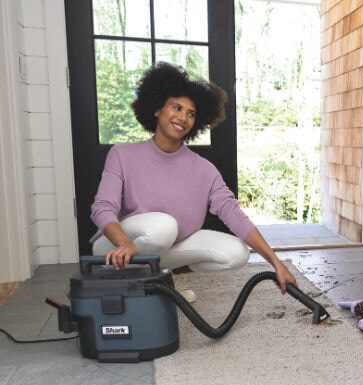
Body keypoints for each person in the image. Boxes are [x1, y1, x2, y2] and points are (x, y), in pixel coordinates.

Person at [90, 62, 297, 302]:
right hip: (116, 246)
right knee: (162, 226)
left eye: (191, 113)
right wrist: (125, 243)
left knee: (237, 253)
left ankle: (160, 278)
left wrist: (276, 262)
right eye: (176, 107)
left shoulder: (204, 169)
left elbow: (234, 214)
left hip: (163, 248)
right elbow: (102, 208)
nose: (183, 117)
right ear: (157, 109)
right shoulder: (122, 154)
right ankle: (139, 280)